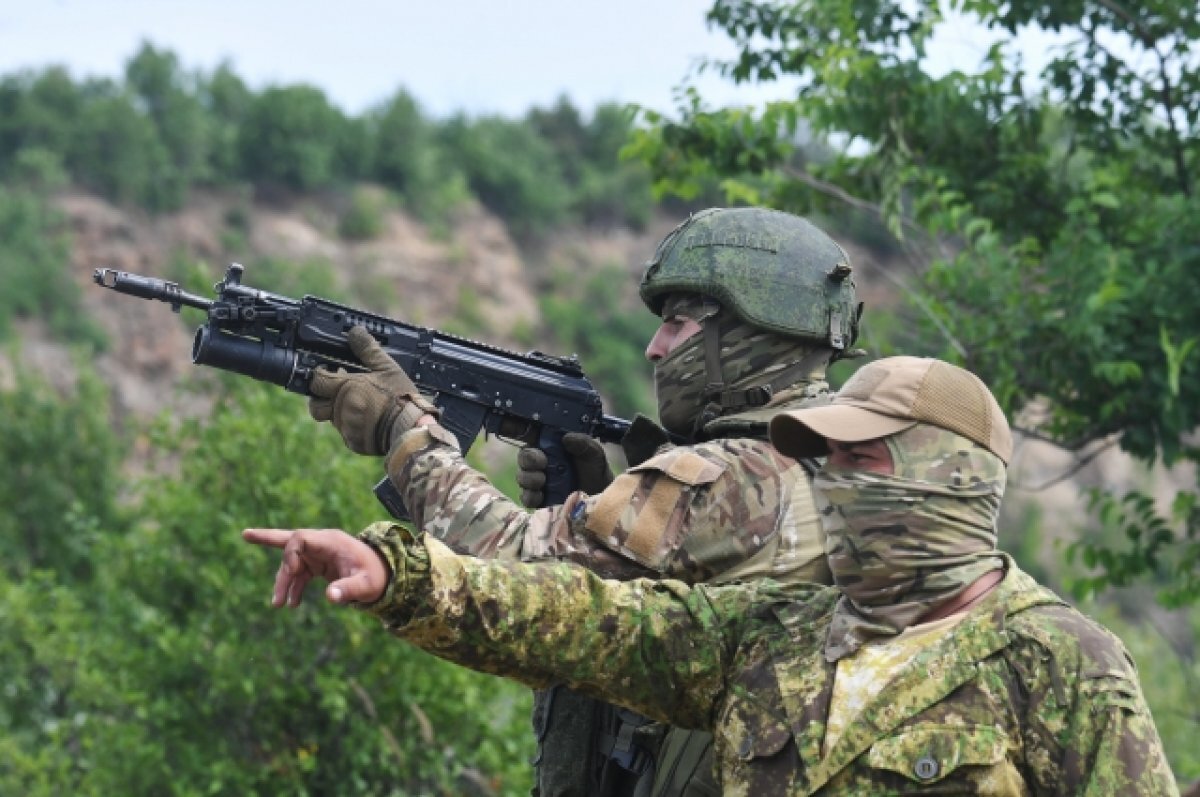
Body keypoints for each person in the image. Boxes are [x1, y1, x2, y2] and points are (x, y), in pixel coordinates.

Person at [245, 356, 1179, 795]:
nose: (830, 481)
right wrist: (403, 572)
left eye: (859, 459)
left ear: (950, 476)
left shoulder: (1059, 663)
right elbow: (580, 617)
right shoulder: (772, 629)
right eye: (822, 459)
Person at [301, 207, 864, 796]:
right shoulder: (836, 456)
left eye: (677, 324)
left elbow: (512, 575)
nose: (654, 348)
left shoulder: (735, 475)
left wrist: (409, 432)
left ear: (749, 334)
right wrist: (600, 506)